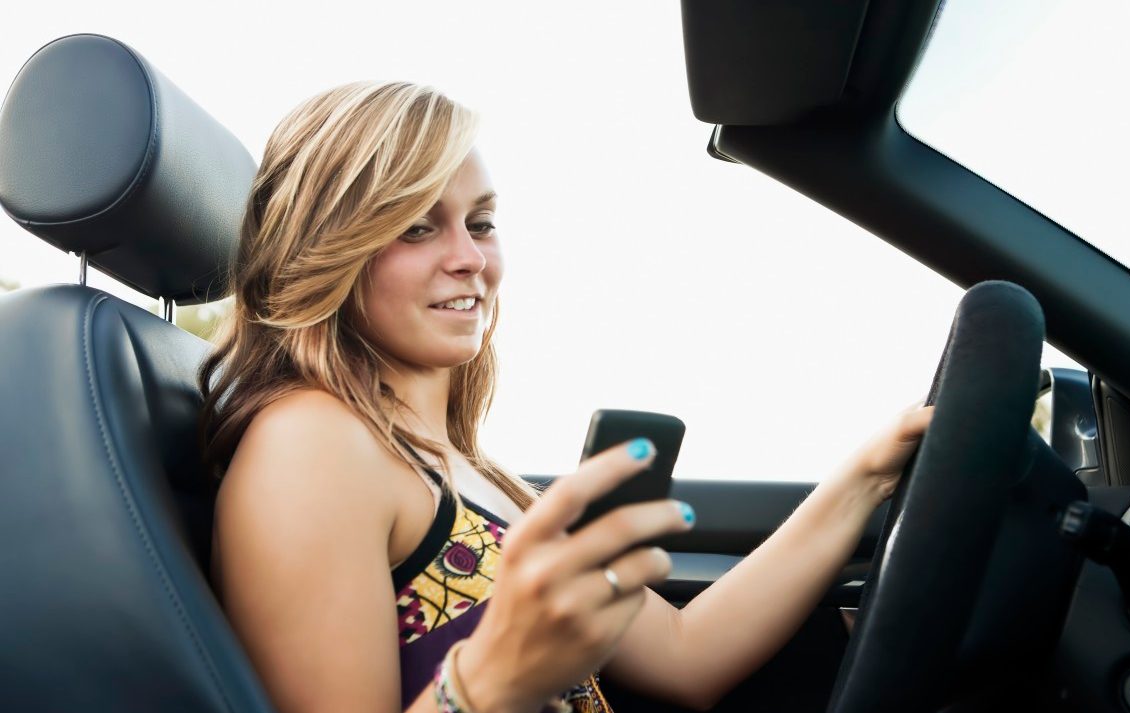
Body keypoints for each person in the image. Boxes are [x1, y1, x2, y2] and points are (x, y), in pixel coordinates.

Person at [199, 81, 934, 713]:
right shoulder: (311, 444)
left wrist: (867, 473)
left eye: (481, 223)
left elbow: (686, 653)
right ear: (328, 247)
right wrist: (488, 679)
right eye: (415, 227)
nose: (469, 259)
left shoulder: (464, 467)